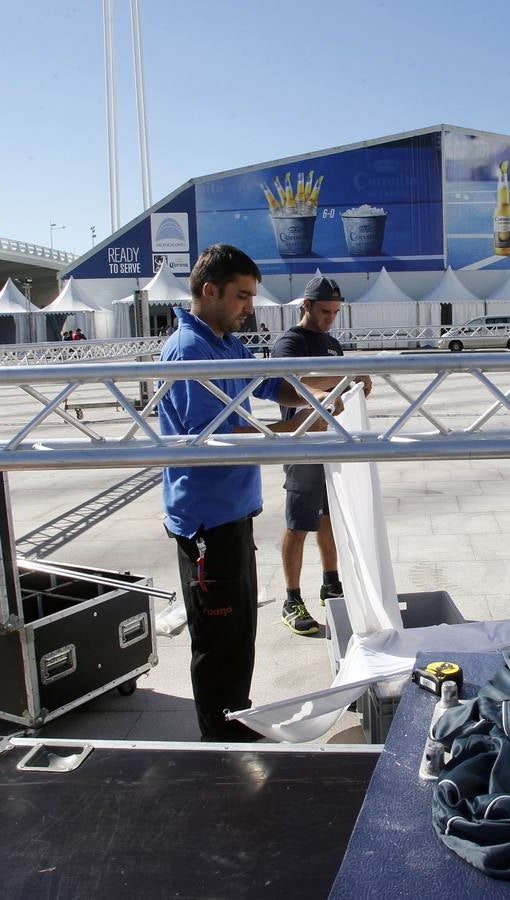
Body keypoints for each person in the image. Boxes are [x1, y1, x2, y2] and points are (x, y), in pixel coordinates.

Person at [159, 244, 340, 741]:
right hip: (204, 522)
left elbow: (268, 386)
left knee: (239, 634)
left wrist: (321, 393)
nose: (249, 307)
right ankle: (218, 738)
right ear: (209, 290)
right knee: (218, 640)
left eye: (251, 296)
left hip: (232, 514)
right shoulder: (189, 350)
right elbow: (210, 436)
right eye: (241, 296)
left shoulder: (224, 343)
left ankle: (236, 719)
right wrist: (290, 430)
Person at [271, 276, 371, 636]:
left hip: (331, 442)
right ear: (307, 306)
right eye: (325, 311)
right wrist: (339, 379)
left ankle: (331, 583)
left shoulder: (332, 344)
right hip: (302, 443)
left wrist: (354, 387)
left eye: (335, 312)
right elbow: (288, 385)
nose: (331, 318)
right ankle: (291, 598)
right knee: (299, 523)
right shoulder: (290, 342)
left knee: (330, 518)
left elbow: (336, 385)